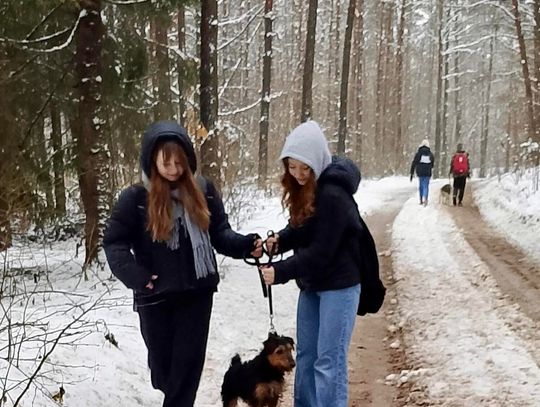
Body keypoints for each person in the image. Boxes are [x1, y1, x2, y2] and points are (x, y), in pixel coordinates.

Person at [103, 120, 262, 407]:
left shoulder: (203, 190)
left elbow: (220, 233)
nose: (174, 169)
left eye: (179, 162)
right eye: (166, 163)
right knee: (163, 372)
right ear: (152, 160)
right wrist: (137, 276)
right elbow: (114, 243)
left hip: (196, 294)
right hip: (154, 295)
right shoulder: (136, 198)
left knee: (186, 372)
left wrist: (246, 245)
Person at [260, 120, 363, 407]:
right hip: (313, 285)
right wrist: (279, 240)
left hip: (339, 286)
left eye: (305, 168)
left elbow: (320, 252)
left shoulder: (334, 195)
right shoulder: (307, 189)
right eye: (292, 167)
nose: (298, 174)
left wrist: (280, 271)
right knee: (306, 357)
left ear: (317, 163)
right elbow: (303, 228)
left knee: (329, 361)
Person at [410, 139, 435, 206]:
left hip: (420, 172)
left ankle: (421, 199)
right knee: (426, 185)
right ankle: (425, 198)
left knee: (421, 185)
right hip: (427, 172)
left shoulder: (418, 154)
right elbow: (432, 164)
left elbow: (414, 163)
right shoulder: (430, 154)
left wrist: (412, 172)